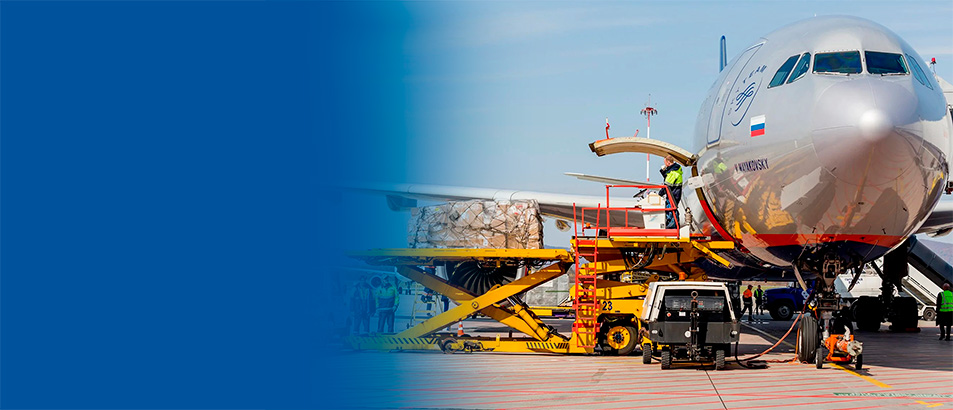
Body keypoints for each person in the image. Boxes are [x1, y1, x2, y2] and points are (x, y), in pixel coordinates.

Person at [659, 154, 683, 229]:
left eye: (665, 163)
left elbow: (666, 186)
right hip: (675, 193)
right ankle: (673, 225)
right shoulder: (675, 170)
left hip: (673, 195)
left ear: (668, 162)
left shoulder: (673, 173)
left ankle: (672, 226)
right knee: (672, 209)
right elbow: (667, 178)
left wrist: (659, 195)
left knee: (671, 210)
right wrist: (663, 171)